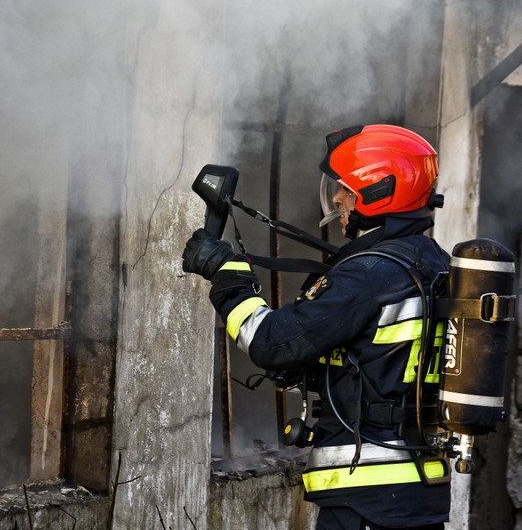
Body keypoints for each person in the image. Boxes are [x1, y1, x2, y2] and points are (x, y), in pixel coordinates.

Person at [182, 124, 452, 529]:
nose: (337, 198)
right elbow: (378, 359)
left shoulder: (369, 275)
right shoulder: (432, 263)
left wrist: (227, 275)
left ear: (379, 192)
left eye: (347, 189)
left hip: (367, 493)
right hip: (415, 490)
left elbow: (270, 342)